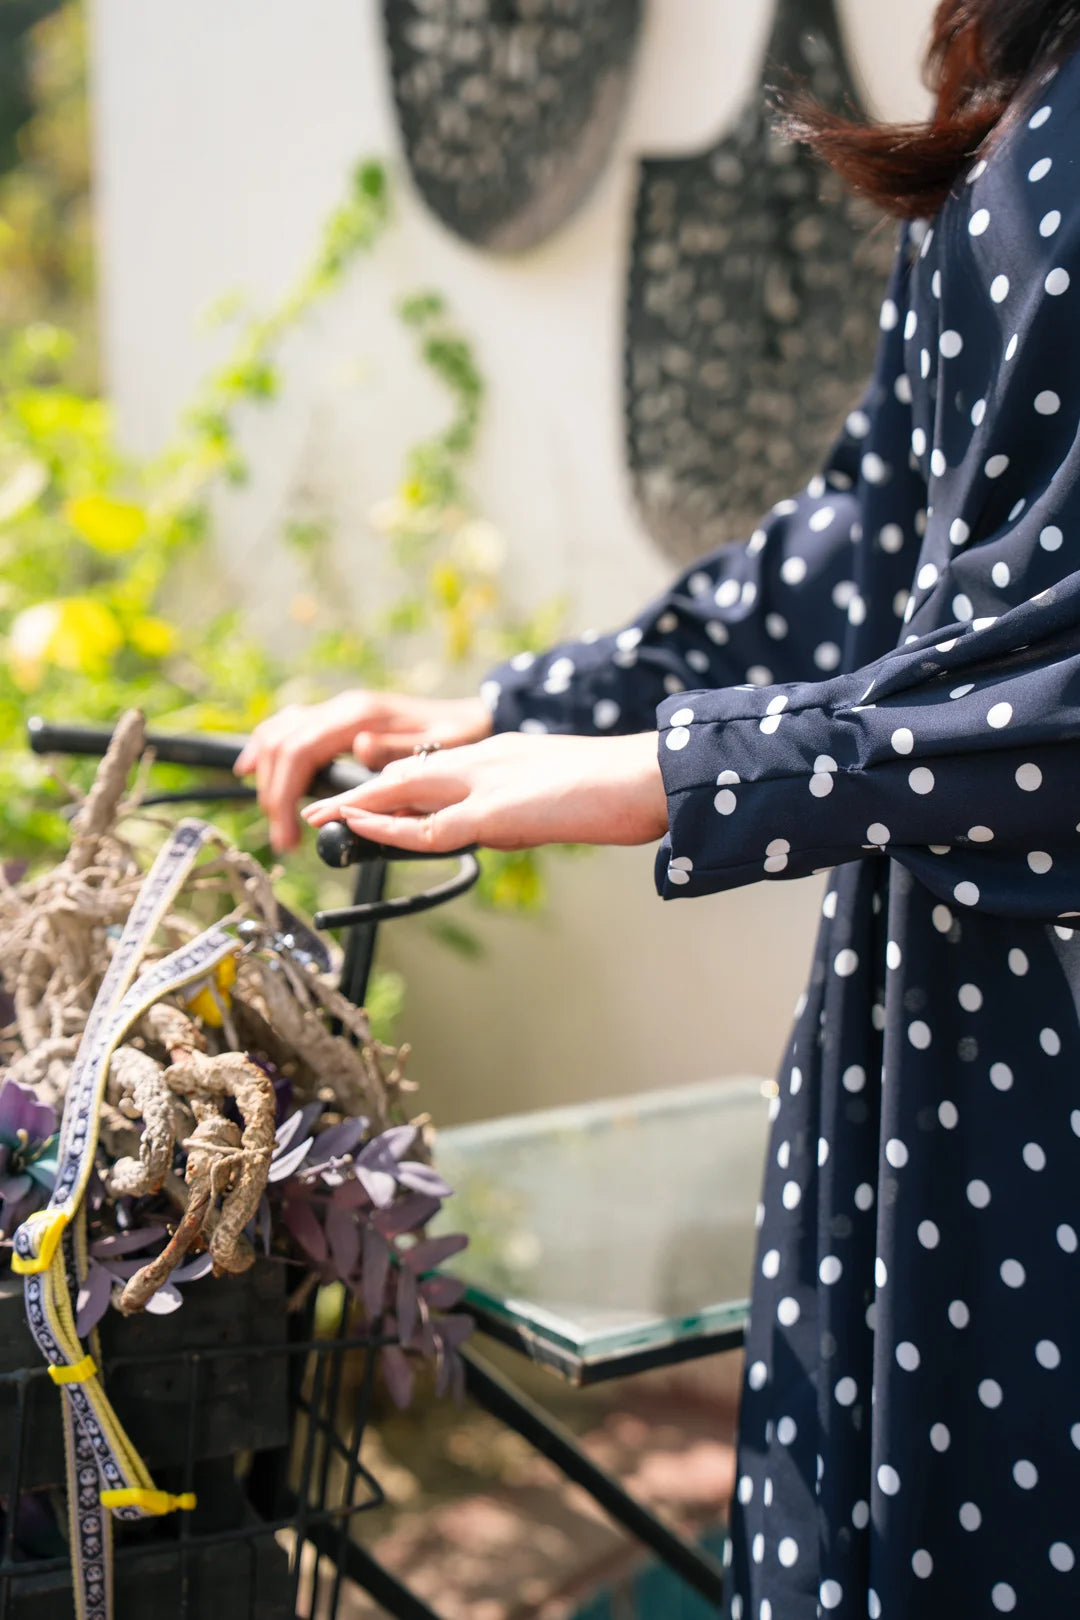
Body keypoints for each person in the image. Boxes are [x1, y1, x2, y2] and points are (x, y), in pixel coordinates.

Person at [237, 3, 1080, 1612]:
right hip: (938, 1048)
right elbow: (871, 533)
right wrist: (528, 708)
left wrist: (675, 777)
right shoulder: (1032, 69)